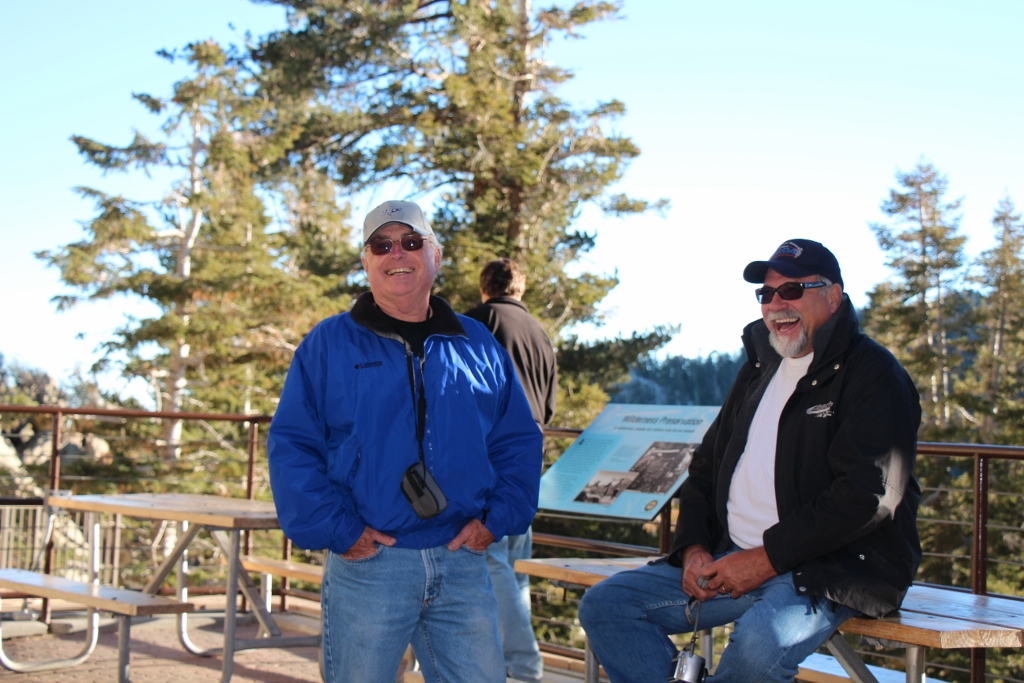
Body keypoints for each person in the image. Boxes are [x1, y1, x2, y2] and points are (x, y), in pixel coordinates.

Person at [578, 239, 923, 683]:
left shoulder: (873, 373)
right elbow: (706, 467)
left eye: (792, 290)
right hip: (731, 557)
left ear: (833, 296)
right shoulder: (761, 369)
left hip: (829, 567)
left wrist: (765, 559)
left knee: (760, 646)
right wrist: (694, 549)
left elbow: (868, 495)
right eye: (767, 294)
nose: (777, 304)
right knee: (607, 607)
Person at [267, 200, 543, 683]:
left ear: (434, 255)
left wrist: (495, 521)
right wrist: (339, 530)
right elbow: (292, 445)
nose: (399, 253)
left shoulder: (477, 343)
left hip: (462, 561)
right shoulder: (327, 345)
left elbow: (517, 440)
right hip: (370, 565)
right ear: (367, 260)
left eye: (412, 242)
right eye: (383, 244)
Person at [465, 258, 558, 683]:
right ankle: (509, 660)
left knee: (492, 563)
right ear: (519, 288)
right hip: (529, 460)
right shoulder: (539, 333)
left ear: (485, 288)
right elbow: (550, 405)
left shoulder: (475, 322)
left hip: (489, 456)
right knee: (515, 565)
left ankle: (522, 665)